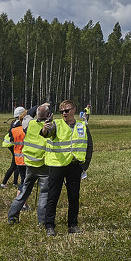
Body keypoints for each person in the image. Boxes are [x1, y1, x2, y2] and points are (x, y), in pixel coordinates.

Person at [39, 99, 93, 236]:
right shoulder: (56, 124)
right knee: (53, 196)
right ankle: (49, 226)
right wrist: (45, 128)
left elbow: (89, 146)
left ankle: (73, 225)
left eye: (67, 110)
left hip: (75, 166)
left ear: (74, 110)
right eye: (62, 111)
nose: (64, 113)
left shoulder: (82, 125)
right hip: (57, 166)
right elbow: (47, 133)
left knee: (74, 197)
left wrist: (84, 166)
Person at [7, 103, 51, 225]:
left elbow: (28, 114)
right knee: (44, 195)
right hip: (43, 164)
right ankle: (42, 222)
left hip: (29, 164)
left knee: (24, 191)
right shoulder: (49, 127)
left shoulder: (29, 124)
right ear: (48, 115)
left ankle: (12, 216)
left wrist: (40, 106)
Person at [0, 107, 27, 188]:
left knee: (16, 164)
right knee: (14, 164)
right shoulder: (20, 124)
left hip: (12, 144)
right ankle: (4, 183)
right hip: (14, 145)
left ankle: (15, 182)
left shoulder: (14, 123)